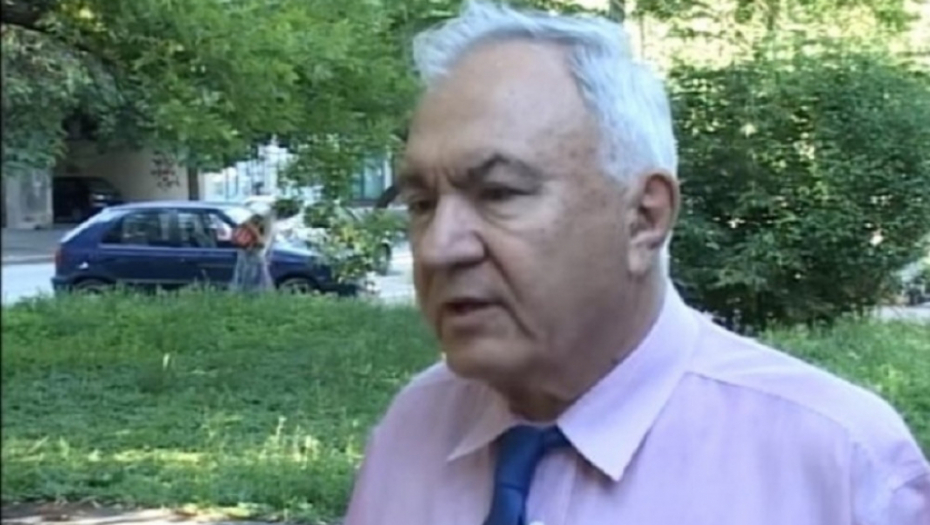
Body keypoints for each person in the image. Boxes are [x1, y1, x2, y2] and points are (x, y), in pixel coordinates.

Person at [343, 2, 930, 524]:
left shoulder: (838, 467)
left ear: (644, 218)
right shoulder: (412, 430)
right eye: (422, 203)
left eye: (498, 193)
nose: (438, 247)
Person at [229, 202, 274, 293]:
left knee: (242, 280)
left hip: (245, 253)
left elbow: (234, 239)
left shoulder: (243, 223)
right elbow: (262, 243)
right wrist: (255, 232)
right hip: (253, 254)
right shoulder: (254, 225)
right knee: (256, 280)